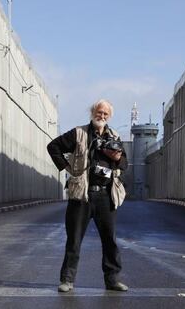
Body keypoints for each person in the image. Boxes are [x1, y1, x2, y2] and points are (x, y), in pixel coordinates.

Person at [47, 99, 128, 293]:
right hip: (81, 196)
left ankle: (112, 280)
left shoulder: (115, 135)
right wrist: (68, 168)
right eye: (99, 112)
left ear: (110, 117)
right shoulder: (79, 133)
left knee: (110, 241)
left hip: (106, 197)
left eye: (105, 114)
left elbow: (124, 164)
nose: (101, 116)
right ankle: (67, 280)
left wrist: (117, 158)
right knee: (74, 240)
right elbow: (53, 147)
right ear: (92, 112)